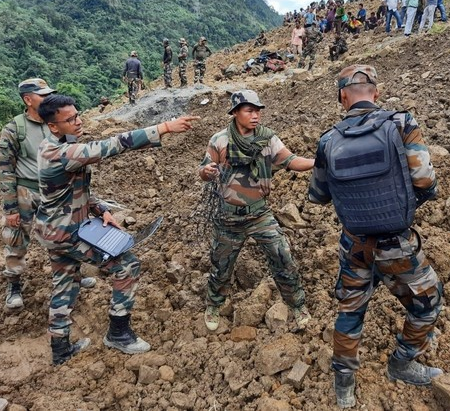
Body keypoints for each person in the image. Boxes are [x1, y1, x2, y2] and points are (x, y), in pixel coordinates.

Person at [308, 65, 442, 409]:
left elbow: (318, 196)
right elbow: (425, 181)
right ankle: (401, 363)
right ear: (376, 92)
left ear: (342, 98)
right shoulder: (401, 124)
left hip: (353, 245)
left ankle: (344, 386)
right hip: (397, 244)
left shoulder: (327, 140)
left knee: (350, 311)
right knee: (427, 304)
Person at [36, 94, 199, 365]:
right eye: (71, 119)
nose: (78, 121)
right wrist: (163, 128)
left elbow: (74, 191)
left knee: (64, 282)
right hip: (68, 233)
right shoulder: (60, 153)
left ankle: (60, 349)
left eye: (78, 115)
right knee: (127, 265)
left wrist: (102, 210)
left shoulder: (55, 145)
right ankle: (119, 334)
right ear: (54, 126)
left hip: (53, 230)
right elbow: (111, 145)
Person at [199, 89, 314, 332]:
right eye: (250, 111)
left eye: (258, 111)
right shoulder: (219, 140)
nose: (256, 116)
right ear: (235, 113)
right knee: (221, 265)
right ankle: (214, 304)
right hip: (228, 217)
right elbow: (203, 170)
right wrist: (207, 172)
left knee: (282, 256)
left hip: (260, 214)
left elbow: (290, 160)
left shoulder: (267, 138)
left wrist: (317, 161)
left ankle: (297, 304)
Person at [0, 79, 95, 310]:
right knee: (16, 237)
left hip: (57, 191)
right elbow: (5, 169)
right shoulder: (14, 129)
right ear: (28, 100)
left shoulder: (59, 122)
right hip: (27, 190)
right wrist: (11, 208)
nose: (48, 97)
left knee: (66, 232)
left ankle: (73, 275)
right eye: (42, 95)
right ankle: (14, 283)